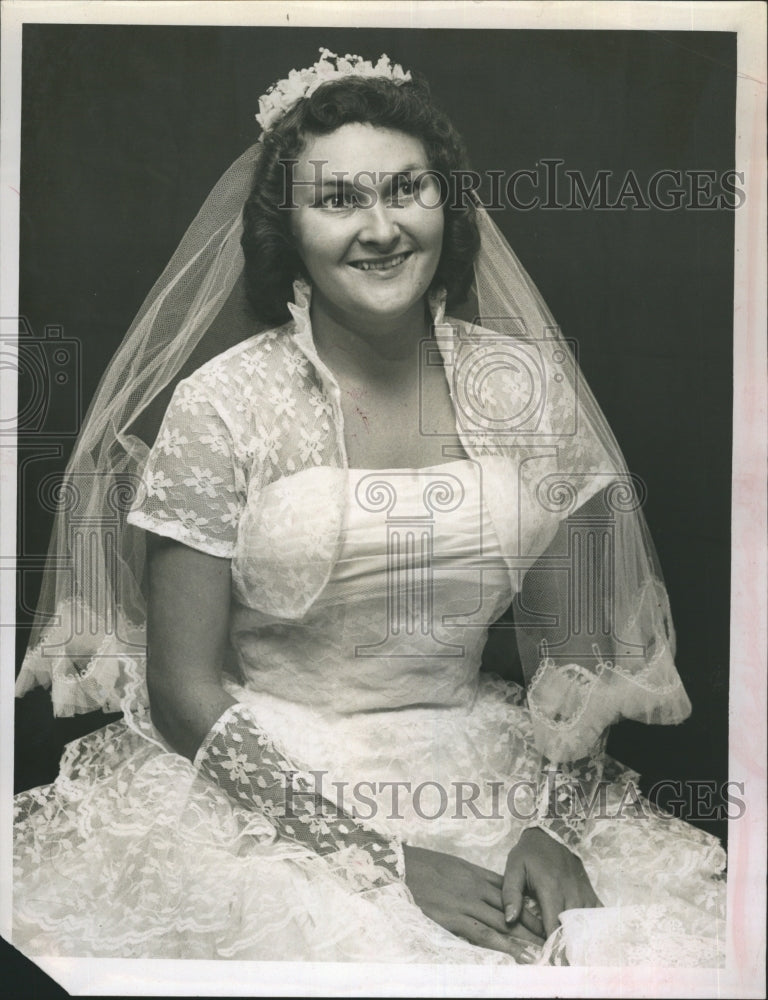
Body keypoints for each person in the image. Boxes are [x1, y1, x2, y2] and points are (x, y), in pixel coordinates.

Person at [13, 49, 726, 965]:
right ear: (288, 225)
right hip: (269, 786)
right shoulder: (224, 403)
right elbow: (182, 691)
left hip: (489, 774)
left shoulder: (526, 386)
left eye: (406, 191)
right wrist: (385, 859)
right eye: (338, 199)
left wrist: (552, 824)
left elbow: (577, 650)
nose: (381, 228)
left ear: (446, 206)